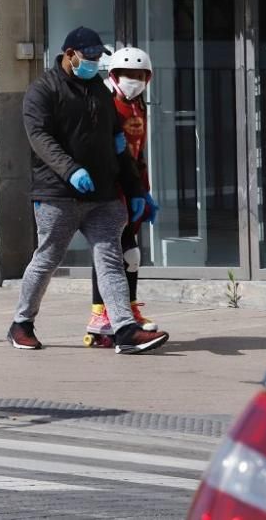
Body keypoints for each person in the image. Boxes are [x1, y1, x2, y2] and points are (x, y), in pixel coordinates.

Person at [8, 26, 170, 354]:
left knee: (111, 258)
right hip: (58, 194)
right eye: (90, 57)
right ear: (70, 55)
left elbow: (117, 142)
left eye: (98, 57)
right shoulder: (43, 90)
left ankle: (123, 329)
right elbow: (40, 138)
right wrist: (71, 170)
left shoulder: (97, 88)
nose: (95, 63)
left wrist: (135, 188)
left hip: (103, 194)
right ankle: (21, 324)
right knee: (48, 259)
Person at [87, 46, 160, 340]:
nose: (134, 80)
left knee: (131, 254)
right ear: (114, 75)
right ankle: (99, 312)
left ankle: (128, 309)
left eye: (140, 75)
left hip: (133, 187)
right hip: (110, 188)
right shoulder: (105, 103)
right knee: (109, 252)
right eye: (128, 75)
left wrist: (143, 189)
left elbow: (138, 151)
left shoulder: (138, 105)